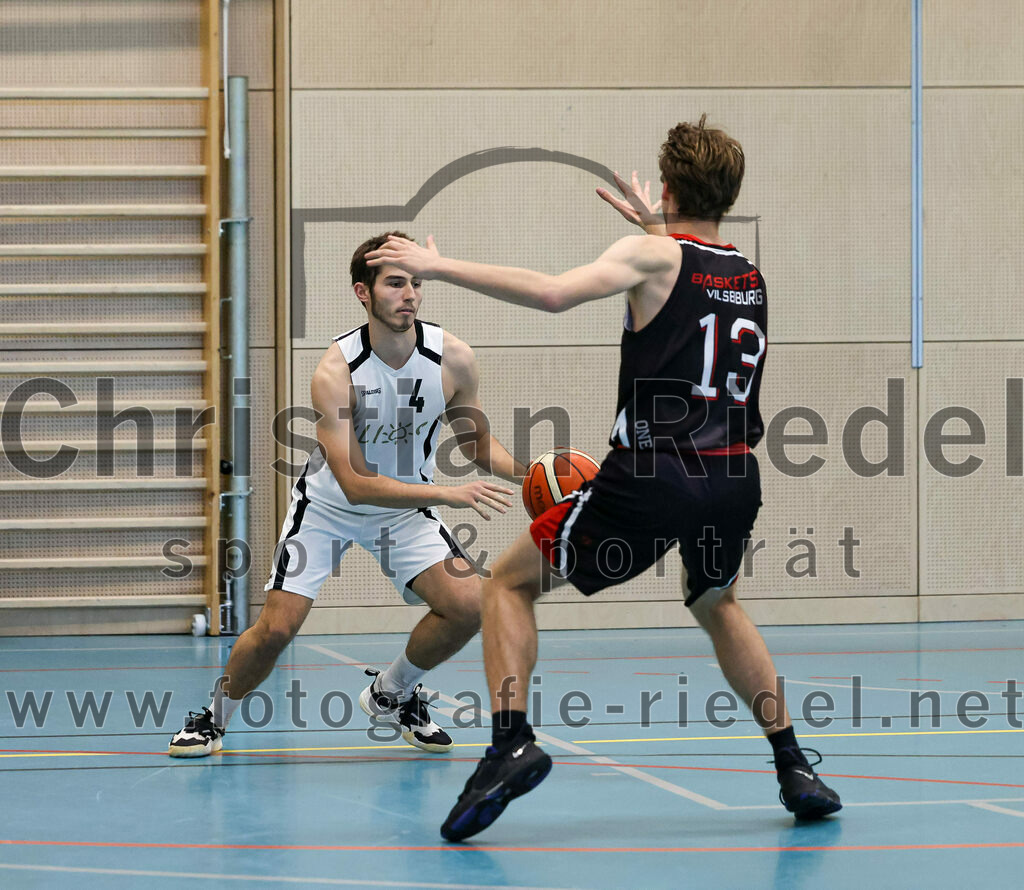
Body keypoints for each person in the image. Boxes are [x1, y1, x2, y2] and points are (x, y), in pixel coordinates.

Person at [366, 116, 843, 841]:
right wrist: (660, 225)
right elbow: (694, 280)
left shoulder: (651, 254)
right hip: (733, 477)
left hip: (656, 473)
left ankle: (508, 744)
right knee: (719, 603)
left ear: (673, 185)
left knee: (507, 583)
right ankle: (793, 765)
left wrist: (441, 267)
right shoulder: (750, 275)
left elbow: (555, 292)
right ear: (728, 194)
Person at [169, 231, 522, 759]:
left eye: (417, 283)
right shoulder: (337, 371)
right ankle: (213, 717)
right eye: (396, 283)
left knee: (470, 605)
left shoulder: (453, 360)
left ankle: (393, 693)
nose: (411, 294)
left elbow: (476, 444)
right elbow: (356, 483)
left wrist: (536, 471)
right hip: (331, 508)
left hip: (404, 512)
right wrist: (445, 494)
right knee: (276, 629)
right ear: (364, 291)